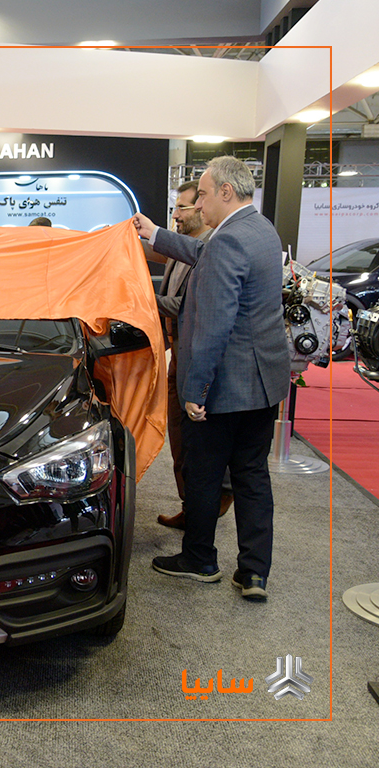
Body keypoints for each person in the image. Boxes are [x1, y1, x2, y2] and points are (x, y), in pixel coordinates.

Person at [134, 156, 289, 601]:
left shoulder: (229, 239)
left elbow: (212, 327)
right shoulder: (260, 229)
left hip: (223, 388)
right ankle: (254, 573)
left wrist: (195, 390)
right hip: (263, 384)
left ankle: (199, 559)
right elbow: (205, 254)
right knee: (252, 476)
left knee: (203, 474)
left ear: (225, 191)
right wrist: (155, 234)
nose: (198, 204)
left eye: (202, 195)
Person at [148, 181, 233, 530]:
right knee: (180, 439)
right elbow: (154, 251)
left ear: (200, 207)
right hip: (179, 356)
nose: (176, 215)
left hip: (198, 360)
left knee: (196, 441)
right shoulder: (183, 248)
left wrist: (144, 299)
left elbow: (190, 305)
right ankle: (192, 506)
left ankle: (207, 506)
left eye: (181, 208)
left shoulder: (213, 249)